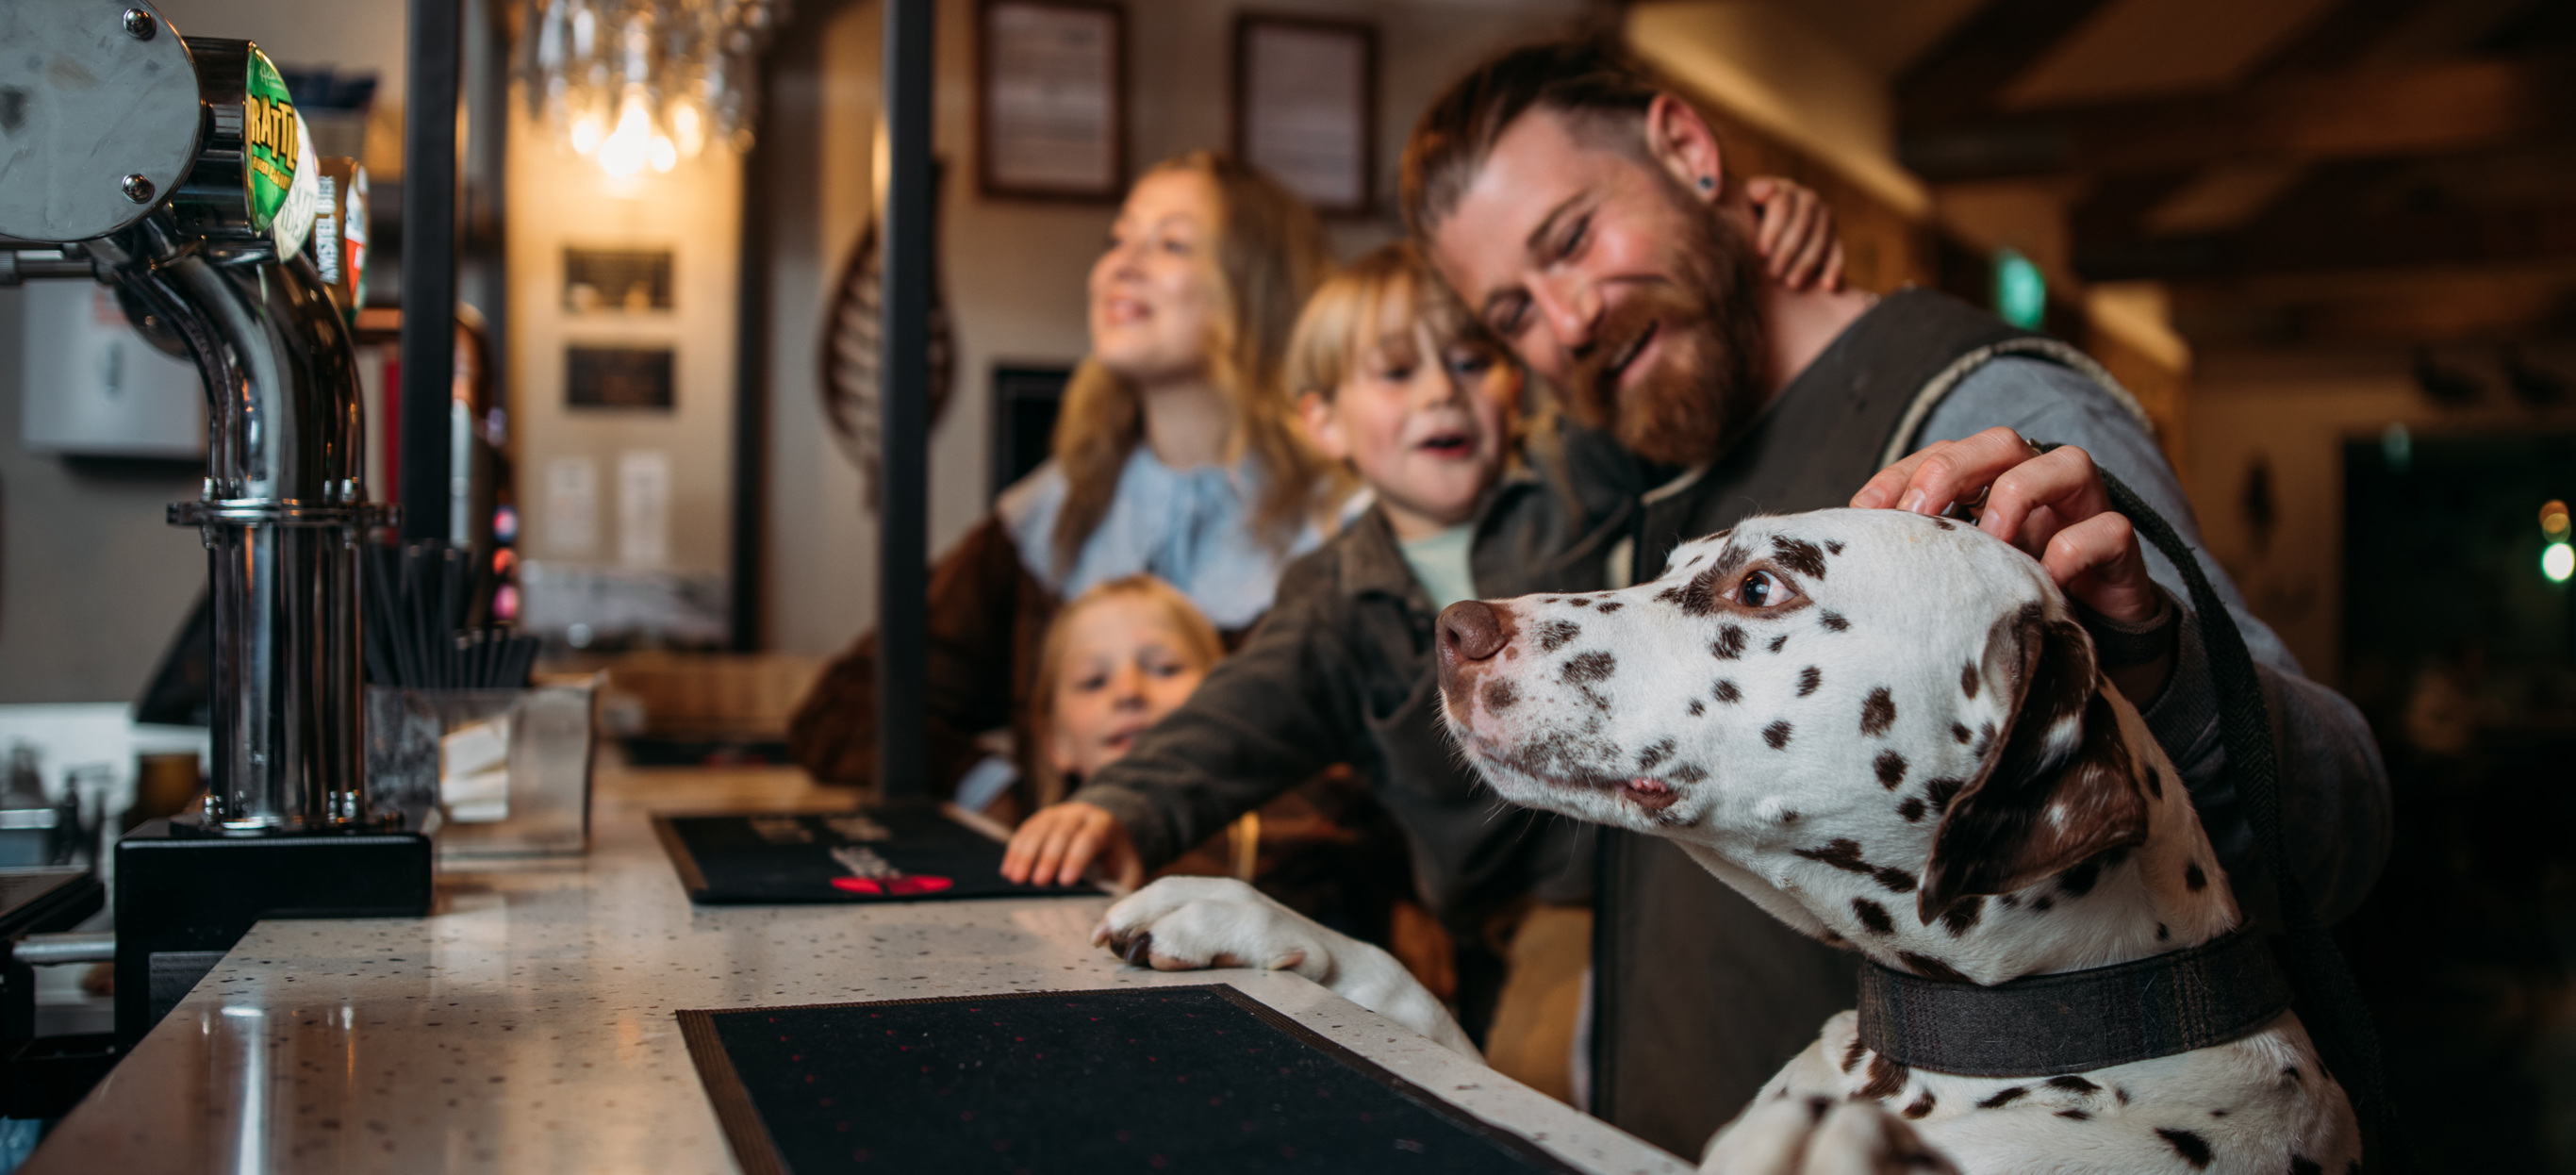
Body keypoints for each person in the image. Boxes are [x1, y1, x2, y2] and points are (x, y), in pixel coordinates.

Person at [1397, 37, 2392, 1145]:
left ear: (1689, 148)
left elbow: (2335, 840)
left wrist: (2156, 667)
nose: (1567, 318)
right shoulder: (1657, 450)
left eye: (1574, 238)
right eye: (1512, 314)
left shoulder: (1995, 410)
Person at [788, 151, 1342, 812]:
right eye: (1118, 240)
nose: (1120, 266)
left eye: (1170, 243)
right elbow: (845, 708)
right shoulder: (1047, 517)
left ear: (1260, 286)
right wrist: (1004, 792)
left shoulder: (1344, 526)